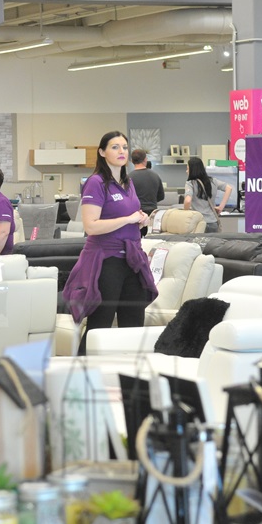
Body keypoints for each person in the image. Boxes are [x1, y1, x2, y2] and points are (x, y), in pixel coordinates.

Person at [63, 131, 159, 356]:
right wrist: (127, 219)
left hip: (132, 260)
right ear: (102, 152)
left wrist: (141, 219)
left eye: (124, 147)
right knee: (100, 323)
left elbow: (130, 217)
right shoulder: (96, 183)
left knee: (133, 323)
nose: (121, 151)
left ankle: (130, 372)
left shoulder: (128, 182)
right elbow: (91, 226)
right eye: (115, 147)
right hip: (107, 261)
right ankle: (82, 370)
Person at [183, 156, 233, 234]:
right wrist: (221, 207)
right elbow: (229, 188)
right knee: (214, 242)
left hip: (199, 223)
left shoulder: (190, 183)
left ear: (192, 170)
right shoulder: (212, 181)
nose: (186, 171)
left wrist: (185, 213)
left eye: (188, 168)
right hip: (213, 222)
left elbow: (188, 201)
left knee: (198, 242)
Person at [129, 148, 165, 236]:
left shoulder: (128, 178)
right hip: (153, 215)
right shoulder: (155, 176)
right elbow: (161, 196)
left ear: (132, 161)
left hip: (136, 215)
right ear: (145, 159)